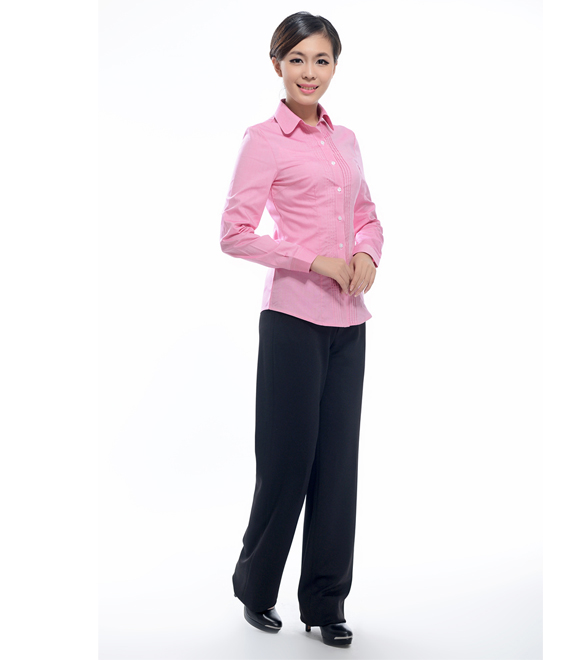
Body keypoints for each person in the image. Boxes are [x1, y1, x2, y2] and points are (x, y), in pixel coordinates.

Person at [219, 11, 384, 648]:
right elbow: (234, 234)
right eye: (297, 60)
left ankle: (325, 602)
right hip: (291, 318)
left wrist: (367, 253)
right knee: (287, 462)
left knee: (337, 468)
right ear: (277, 65)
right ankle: (256, 589)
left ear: (335, 65)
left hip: (349, 322)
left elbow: (367, 213)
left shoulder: (347, 140)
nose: (309, 72)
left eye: (321, 60)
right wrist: (312, 259)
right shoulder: (263, 140)